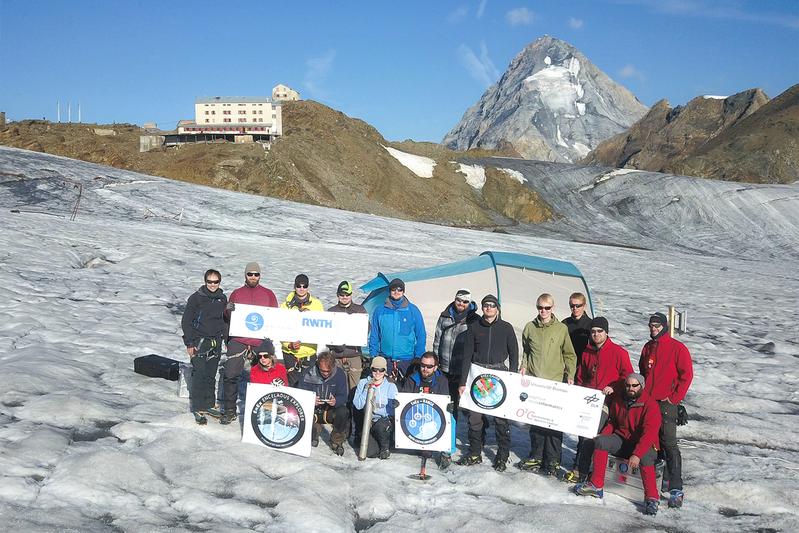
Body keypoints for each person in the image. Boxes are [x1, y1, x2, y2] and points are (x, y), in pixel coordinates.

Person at [574, 373, 663, 516]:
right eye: (628, 385)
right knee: (601, 442)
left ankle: (651, 497)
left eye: (635, 385)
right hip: (622, 439)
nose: (631, 388)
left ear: (642, 386)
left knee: (646, 456)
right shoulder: (619, 400)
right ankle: (596, 485)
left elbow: (649, 434)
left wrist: (637, 454)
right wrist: (603, 434)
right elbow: (613, 423)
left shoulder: (650, 405)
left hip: (644, 444)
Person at [568, 316, 634, 482]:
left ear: (606, 332)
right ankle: (581, 470)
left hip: (608, 402)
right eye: (593, 332)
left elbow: (628, 378)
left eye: (599, 331)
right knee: (583, 434)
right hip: (588, 401)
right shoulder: (587, 352)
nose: (596, 335)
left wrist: (615, 387)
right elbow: (581, 377)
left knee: (594, 434)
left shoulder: (619, 353)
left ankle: (589, 470)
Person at [457, 294, 518, 472]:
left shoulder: (506, 328)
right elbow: (467, 356)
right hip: (478, 375)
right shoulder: (474, 327)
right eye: (485, 305)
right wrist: (463, 382)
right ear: (482, 308)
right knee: (475, 417)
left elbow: (514, 353)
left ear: (497, 308)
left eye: (492, 305)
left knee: (500, 419)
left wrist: (512, 377)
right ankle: (475, 452)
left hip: (499, 375)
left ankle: (502, 455)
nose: (489, 308)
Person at [639, 312, 694, 509]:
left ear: (664, 326)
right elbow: (643, 372)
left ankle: (675, 488)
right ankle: (653, 484)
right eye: (651, 325)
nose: (653, 328)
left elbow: (686, 375)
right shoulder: (647, 347)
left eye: (657, 325)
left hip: (666, 403)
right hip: (649, 402)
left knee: (669, 443)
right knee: (650, 443)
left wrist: (674, 398)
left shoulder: (677, 348)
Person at [519, 293, 577, 475]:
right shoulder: (530, 327)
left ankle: (552, 460)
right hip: (535, 383)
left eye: (547, 308)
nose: (543, 311)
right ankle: (536, 456)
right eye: (540, 307)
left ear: (553, 308)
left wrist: (570, 374)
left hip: (554, 383)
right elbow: (527, 352)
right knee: (535, 421)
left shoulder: (561, 329)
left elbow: (569, 354)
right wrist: (523, 366)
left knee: (552, 423)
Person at [221, 262, 278, 424]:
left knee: (264, 376)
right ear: (245, 275)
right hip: (238, 339)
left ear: (260, 276)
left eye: (256, 274)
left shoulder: (268, 294)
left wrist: (269, 342)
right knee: (231, 375)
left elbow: (275, 317)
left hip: (259, 341)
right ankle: (230, 410)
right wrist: (227, 310)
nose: (253, 277)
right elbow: (228, 317)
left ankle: (264, 411)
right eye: (250, 274)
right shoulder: (237, 293)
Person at [181, 269, 228, 425]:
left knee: (210, 375)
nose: (212, 285)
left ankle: (209, 404)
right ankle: (198, 407)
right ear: (205, 281)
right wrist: (189, 343)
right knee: (199, 375)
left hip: (215, 342)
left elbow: (224, 321)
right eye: (209, 281)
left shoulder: (222, 299)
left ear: (219, 282)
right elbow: (186, 321)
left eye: (215, 282)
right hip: (199, 341)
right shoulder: (196, 298)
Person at [400, 352, 453, 469]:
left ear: (435, 367)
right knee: (425, 453)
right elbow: (404, 400)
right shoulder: (412, 379)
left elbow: (444, 403)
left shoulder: (442, 381)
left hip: (433, 418)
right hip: (416, 417)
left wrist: (448, 407)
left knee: (452, 420)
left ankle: (446, 452)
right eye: (423, 365)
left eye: (429, 367)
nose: (425, 369)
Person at [368, 278, 426, 380]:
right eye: (393, 289)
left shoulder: (413, 310)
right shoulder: (380, 310)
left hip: (407, 360)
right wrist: (374, 354)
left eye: (399, 289)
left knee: (406, 391)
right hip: (386, 359)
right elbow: (374, 334)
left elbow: (421, 334)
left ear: (403, 291)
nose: (396, 292)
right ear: (389, 291)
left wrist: (418, 356)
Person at [433, 288, 478, 415]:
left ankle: (475, 429)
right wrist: (436, 360)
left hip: (463, 368)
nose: (461, 304)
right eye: (459, 300)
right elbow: (437, 339)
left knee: (466, 404)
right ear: (455, 299)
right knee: (447, 401)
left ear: (469, 303)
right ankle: (450, 427)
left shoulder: (474, 320)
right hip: (445, 366)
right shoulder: (445, 316)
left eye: (465, 301)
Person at [299, 352, 350, 455]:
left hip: (331, 409)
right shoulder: (308, 373)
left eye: (328, 371)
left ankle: (336, 440)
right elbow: (301, 392)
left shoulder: (339, 374)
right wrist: (311, 400)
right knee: (303, 410)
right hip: (314, 408)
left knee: (343, 412)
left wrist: (336, 401)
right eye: (322, 371)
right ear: (318, 366)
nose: (325, 373)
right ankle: (313, 433)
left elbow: (344, 395)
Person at [280, 274, 324, 387]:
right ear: (294, 287)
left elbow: (322, 327)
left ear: (308, 287)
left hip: (308, 352)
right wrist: (289, 345)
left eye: (304, 286)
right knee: (292, 387)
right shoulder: (285, 306)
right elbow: (279, 329)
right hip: (290, 354)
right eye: (299, 286)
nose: (301, 289)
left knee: (308, 387)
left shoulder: (317, 305)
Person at [353, 356, 398, 459]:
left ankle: (385, 447)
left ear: (385, 371)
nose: (378, 373)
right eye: (375, 369)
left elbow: (392, 411)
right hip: (367, 421)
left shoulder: (391, 386)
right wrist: (367, 390)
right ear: (371, 369)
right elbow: (358, 405)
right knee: (370, 453)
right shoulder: (363, 383)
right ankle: (375, 443)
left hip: (383, 420)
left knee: (381, 426)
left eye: (381, 370)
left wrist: (379, 409)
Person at [327, 280, 368, 391]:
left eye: (347, 294)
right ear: (337, 295)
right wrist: (335, 345)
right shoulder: (331, 312)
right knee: (338, 388)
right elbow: (326, 334)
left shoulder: (359, 310)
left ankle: (353, 408)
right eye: (342, 294)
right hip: (336, 356)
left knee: (355, 389)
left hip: (353, 355)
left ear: (351, 295)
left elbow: (367, 329)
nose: (344, 297)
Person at [562, 292, 592, 377]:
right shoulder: (564, 323)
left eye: (578, 305)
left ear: (584, 306)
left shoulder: (591, 324)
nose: (575, 308)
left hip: (584, 367)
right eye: (572, 306)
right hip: (567, 366)